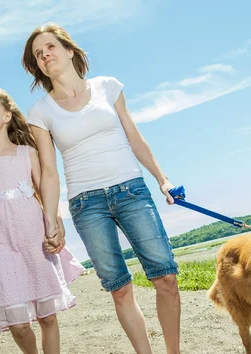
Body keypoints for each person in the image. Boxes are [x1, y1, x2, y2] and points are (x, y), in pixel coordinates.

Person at [22, 23, 181, 354]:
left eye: (50, 47)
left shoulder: (108, 87)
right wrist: (50, 218)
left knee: (165, 278)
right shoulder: (40, 112)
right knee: (120, 290)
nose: (45, 55)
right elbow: (49, 172)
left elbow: (134, 138)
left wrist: (161, 178)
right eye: (38, 54)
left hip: (132, 191)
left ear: (69, 51)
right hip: (86, 204)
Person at [0, 86, 85, 354]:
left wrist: (57, 223)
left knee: (47, 316)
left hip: (32, 235)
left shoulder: (27, 153)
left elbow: (45, 192)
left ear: (6, 116)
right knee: (18, 323)